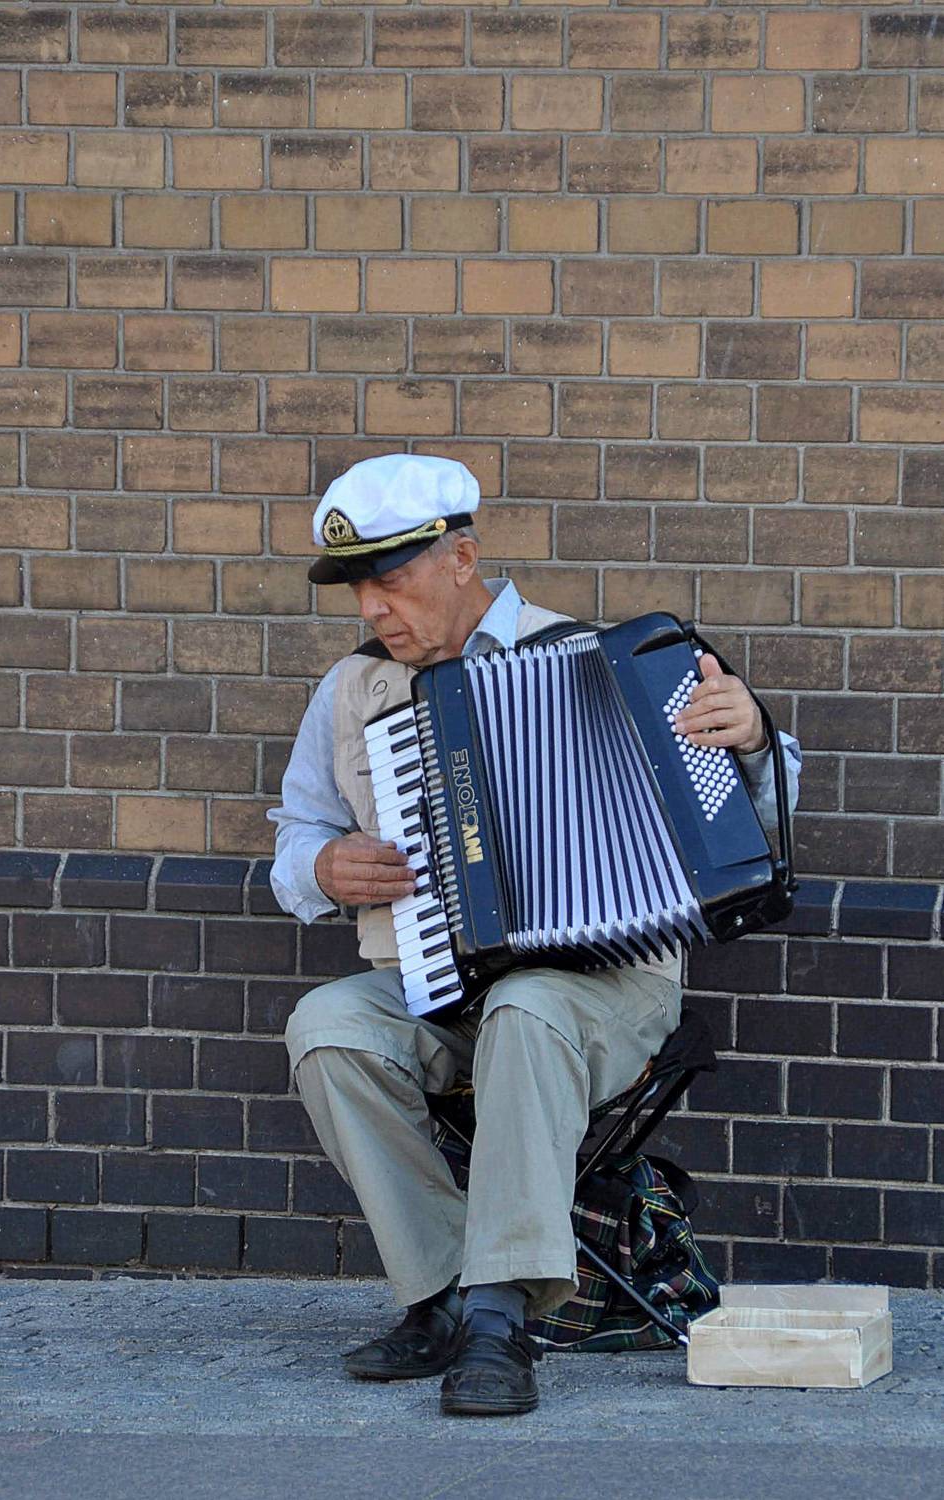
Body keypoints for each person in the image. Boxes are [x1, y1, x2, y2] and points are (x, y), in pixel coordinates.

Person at [269, 452, 802, 1417]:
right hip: (435, 983)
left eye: (391, 581)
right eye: (357, 589)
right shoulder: (353, 691)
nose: (372, 610)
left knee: (526, 1004)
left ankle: (499, 1318)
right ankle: (441, 1293)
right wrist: (323, 866)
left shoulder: (610, 660)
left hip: (608, 987)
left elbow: (762, 809)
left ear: (462, 559)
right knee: (327, 1026)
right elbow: (296, 835)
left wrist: (754, 736)